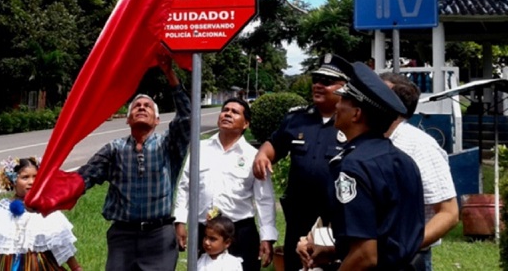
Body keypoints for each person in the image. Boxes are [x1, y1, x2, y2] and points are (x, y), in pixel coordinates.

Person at [298, 62, 425, 270]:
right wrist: (333, 251)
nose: (338, 106)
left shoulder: (352, 166)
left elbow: (366, 255)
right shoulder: (403, 160)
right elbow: (388, 235)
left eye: (344, 100)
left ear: (356, 114)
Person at [76, 54, 190, 271]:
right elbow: (85, 176)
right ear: (128, 120)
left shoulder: (168, 145)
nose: (141, 107)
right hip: (123, 237)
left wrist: (170, 73)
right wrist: (51, 190)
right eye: (136, 106)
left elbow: (186, 118)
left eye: (148, 106)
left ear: (157, 120)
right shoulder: (114, 149)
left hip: (159, 236)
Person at [252, 54, 350, 271]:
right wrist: (262, 155)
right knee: (295, 264)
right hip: (299, 216)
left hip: (336, 217)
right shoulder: (297, 118)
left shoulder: (352, 121)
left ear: (345, 87)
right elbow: (273, 146)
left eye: (327, 81)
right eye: (316, 79)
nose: (318, 85)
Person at [175, 97, 278, 271]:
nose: (227, 114)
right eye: (225, 110)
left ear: (245, 124)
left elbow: (264, 199)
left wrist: (267, 238)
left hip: (241, 233)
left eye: (234, 112)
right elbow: (185, 186)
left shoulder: (254, 156)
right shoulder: (200, 149)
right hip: (205, 232)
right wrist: (180, 221)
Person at [380, 72, 459, 270]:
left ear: (394, 105)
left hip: (407, 261)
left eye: (377, 93)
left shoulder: (420, 146)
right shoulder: (367, 141)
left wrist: (404, 249)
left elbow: (448, 213)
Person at [0, 156, 82, 271]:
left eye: (35, 177)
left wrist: (75, 267)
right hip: (6, 265)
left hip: (40, 265)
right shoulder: (2, 210)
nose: (31, 182)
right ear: (12, 181)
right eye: (25, 177)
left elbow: (60, 243)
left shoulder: (44, 209)